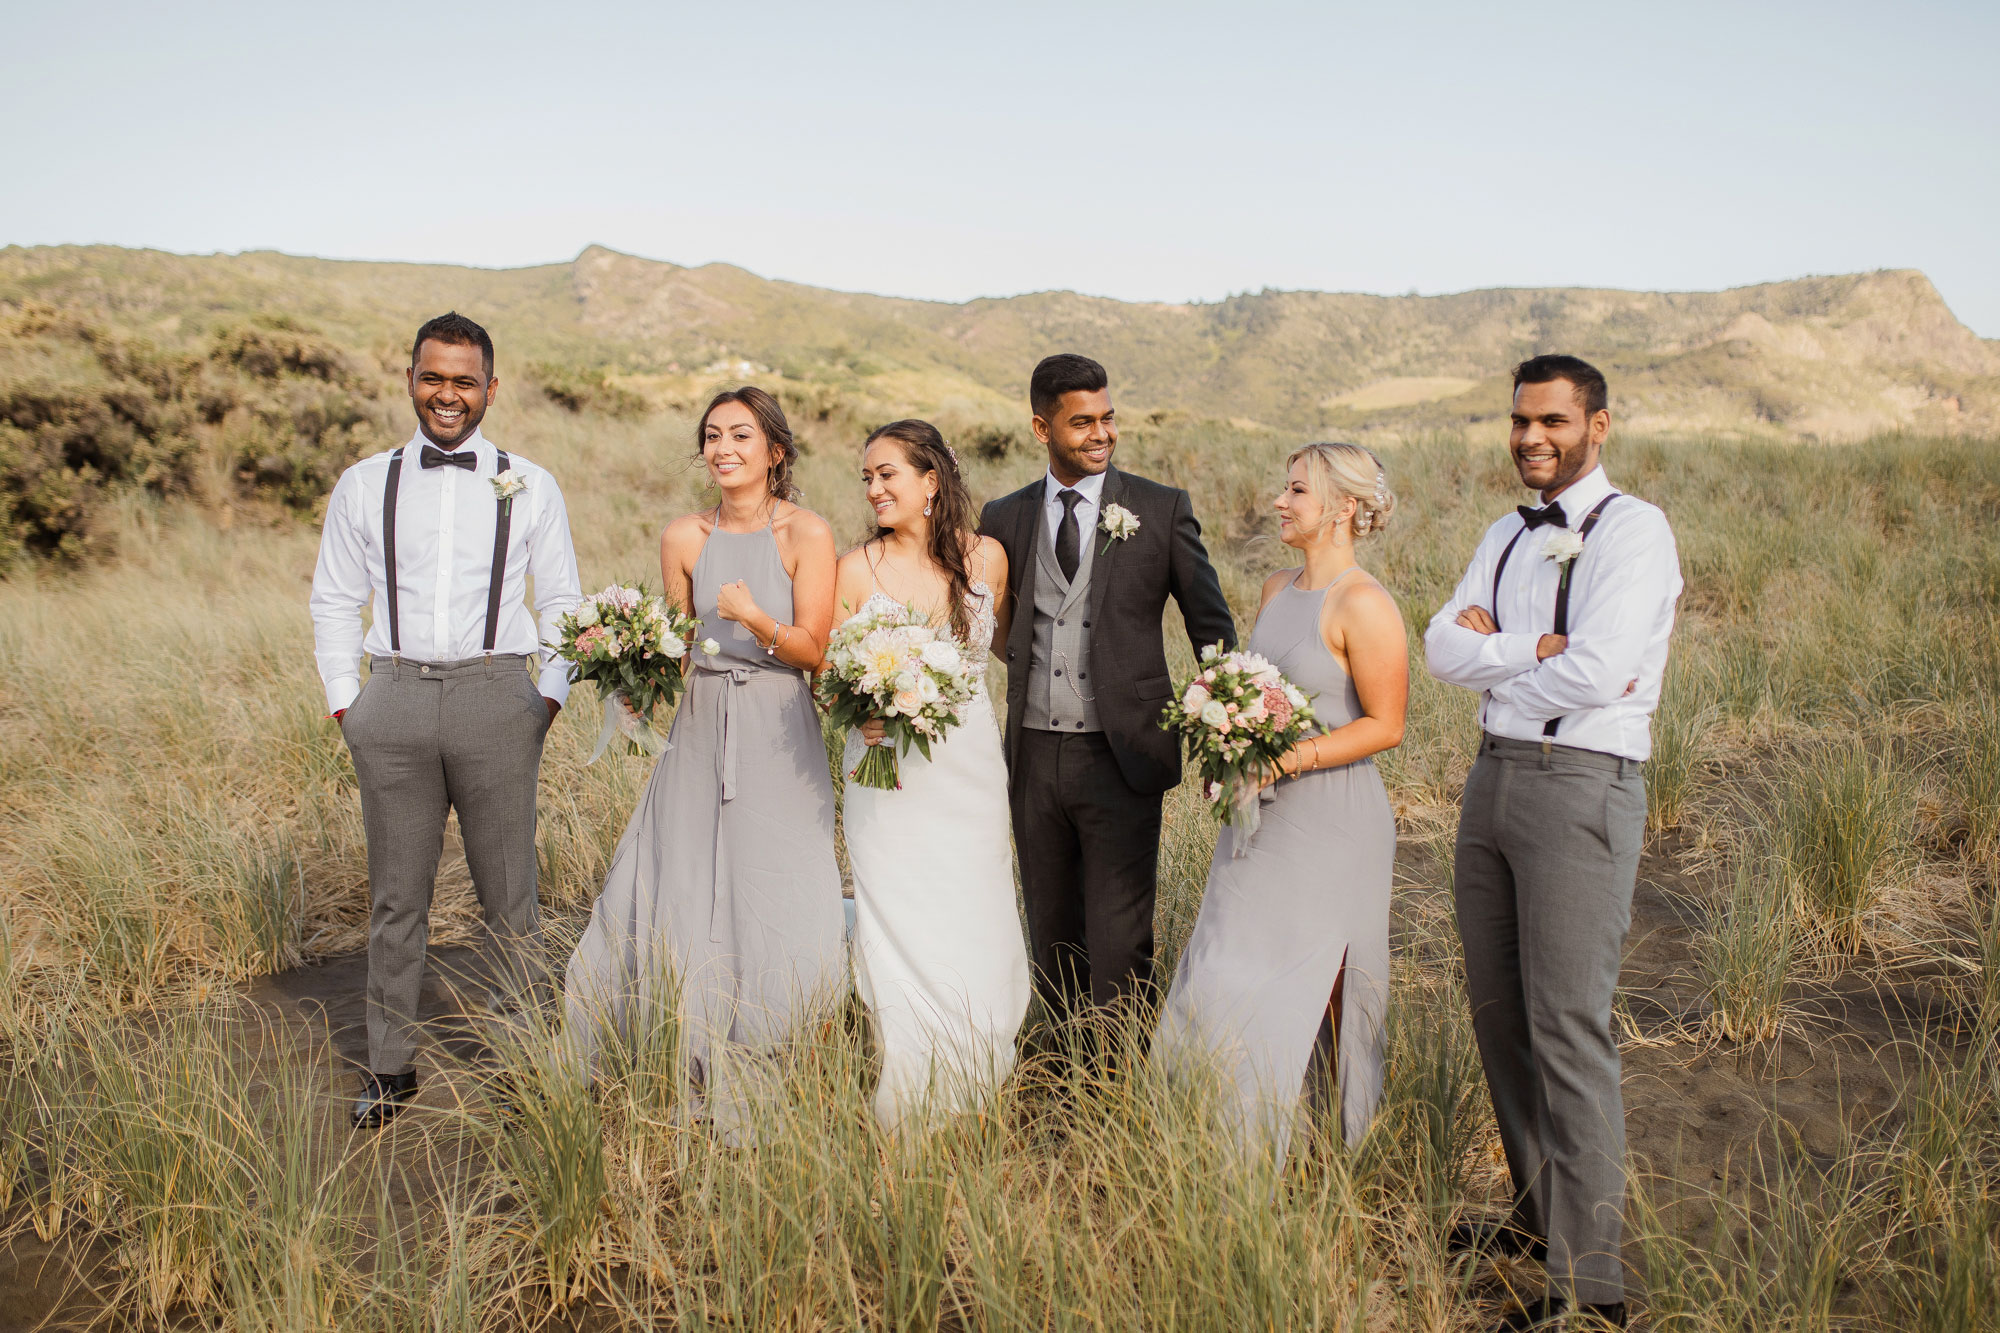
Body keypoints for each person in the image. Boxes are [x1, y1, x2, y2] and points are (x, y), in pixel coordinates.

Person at [1425, 355, 1683, 1330]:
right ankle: (1537, 1223)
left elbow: (1602, 672)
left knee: (1567, 1029)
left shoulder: (1635, 531)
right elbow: (1436, 643)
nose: (1531, 437)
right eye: (1518, 420)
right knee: (1499, 1016)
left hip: (1580, 790)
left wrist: (1496, 667)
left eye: (1552, 421)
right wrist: (1511, 657)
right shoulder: (1502, 531)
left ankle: (1593, 1291)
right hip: (1488, 781)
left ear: (1597, 426)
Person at [310, 312, 582, 1129]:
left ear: (491, 389)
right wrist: (346, 702)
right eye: (434, 377)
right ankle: (389, 1067)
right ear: (410, 381)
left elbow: (563, 600)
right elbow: (333, 596)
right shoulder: (366, 481)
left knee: (512, 896)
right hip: (389, 698)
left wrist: (548, 698)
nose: (448, 394)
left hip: (498, 696)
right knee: (397, 897)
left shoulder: (531, 482)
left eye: (465, 380)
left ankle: (524, 1057)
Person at [564, 387, 844, 1141]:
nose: (724, 448)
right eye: (713, 436)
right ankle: (674, 1030)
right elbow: (680, 648)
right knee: (681, 867)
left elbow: (817, 650)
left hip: (780, 724)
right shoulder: (683, 535)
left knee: (774, 874)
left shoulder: (808, 534)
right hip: (700, 720)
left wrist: (756, 618)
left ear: (774, 451)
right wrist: (631, 684)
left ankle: (778, 1034)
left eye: (741, 436)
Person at [978, 354, 1236, 1055]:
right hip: (1033, 756)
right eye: (1082, 421)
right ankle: (1061, 1078)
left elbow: (1212, 626)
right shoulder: (1005, 516)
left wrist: (1227, 727)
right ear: (1041, 427)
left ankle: (1115, 1086)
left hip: (1123, 754)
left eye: (1108, 417)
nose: (1101, 433)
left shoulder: (1160, 507)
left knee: (1120, 938)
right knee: (1051, 931)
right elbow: (990, 625)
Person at [1154, 444, 1405, 1160]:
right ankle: (1225, 1135)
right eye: (1284, 487)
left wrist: (1288, 757)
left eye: (1297, 490)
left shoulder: (1365, 602)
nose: (1279, 501)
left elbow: (1386, 724)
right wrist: (1227, 746)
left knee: (1320, 985)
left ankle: (1328, 1150)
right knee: (1231, 959)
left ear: (1344, 508)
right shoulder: (1273, 589)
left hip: (1333, 822)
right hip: (1257, 817)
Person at [832, 419, 1030, 1130]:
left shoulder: (990, 559)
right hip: (885, 772)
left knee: (974, 897)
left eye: (887, 473)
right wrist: (860, 710)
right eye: (867, 477)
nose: (875, 488)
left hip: (968, 763)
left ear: (930, 481)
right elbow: (829, 674)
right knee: (896, 904)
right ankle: (909, 1054)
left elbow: (1009, 651)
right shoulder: (856, 568)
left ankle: (977, 1046)